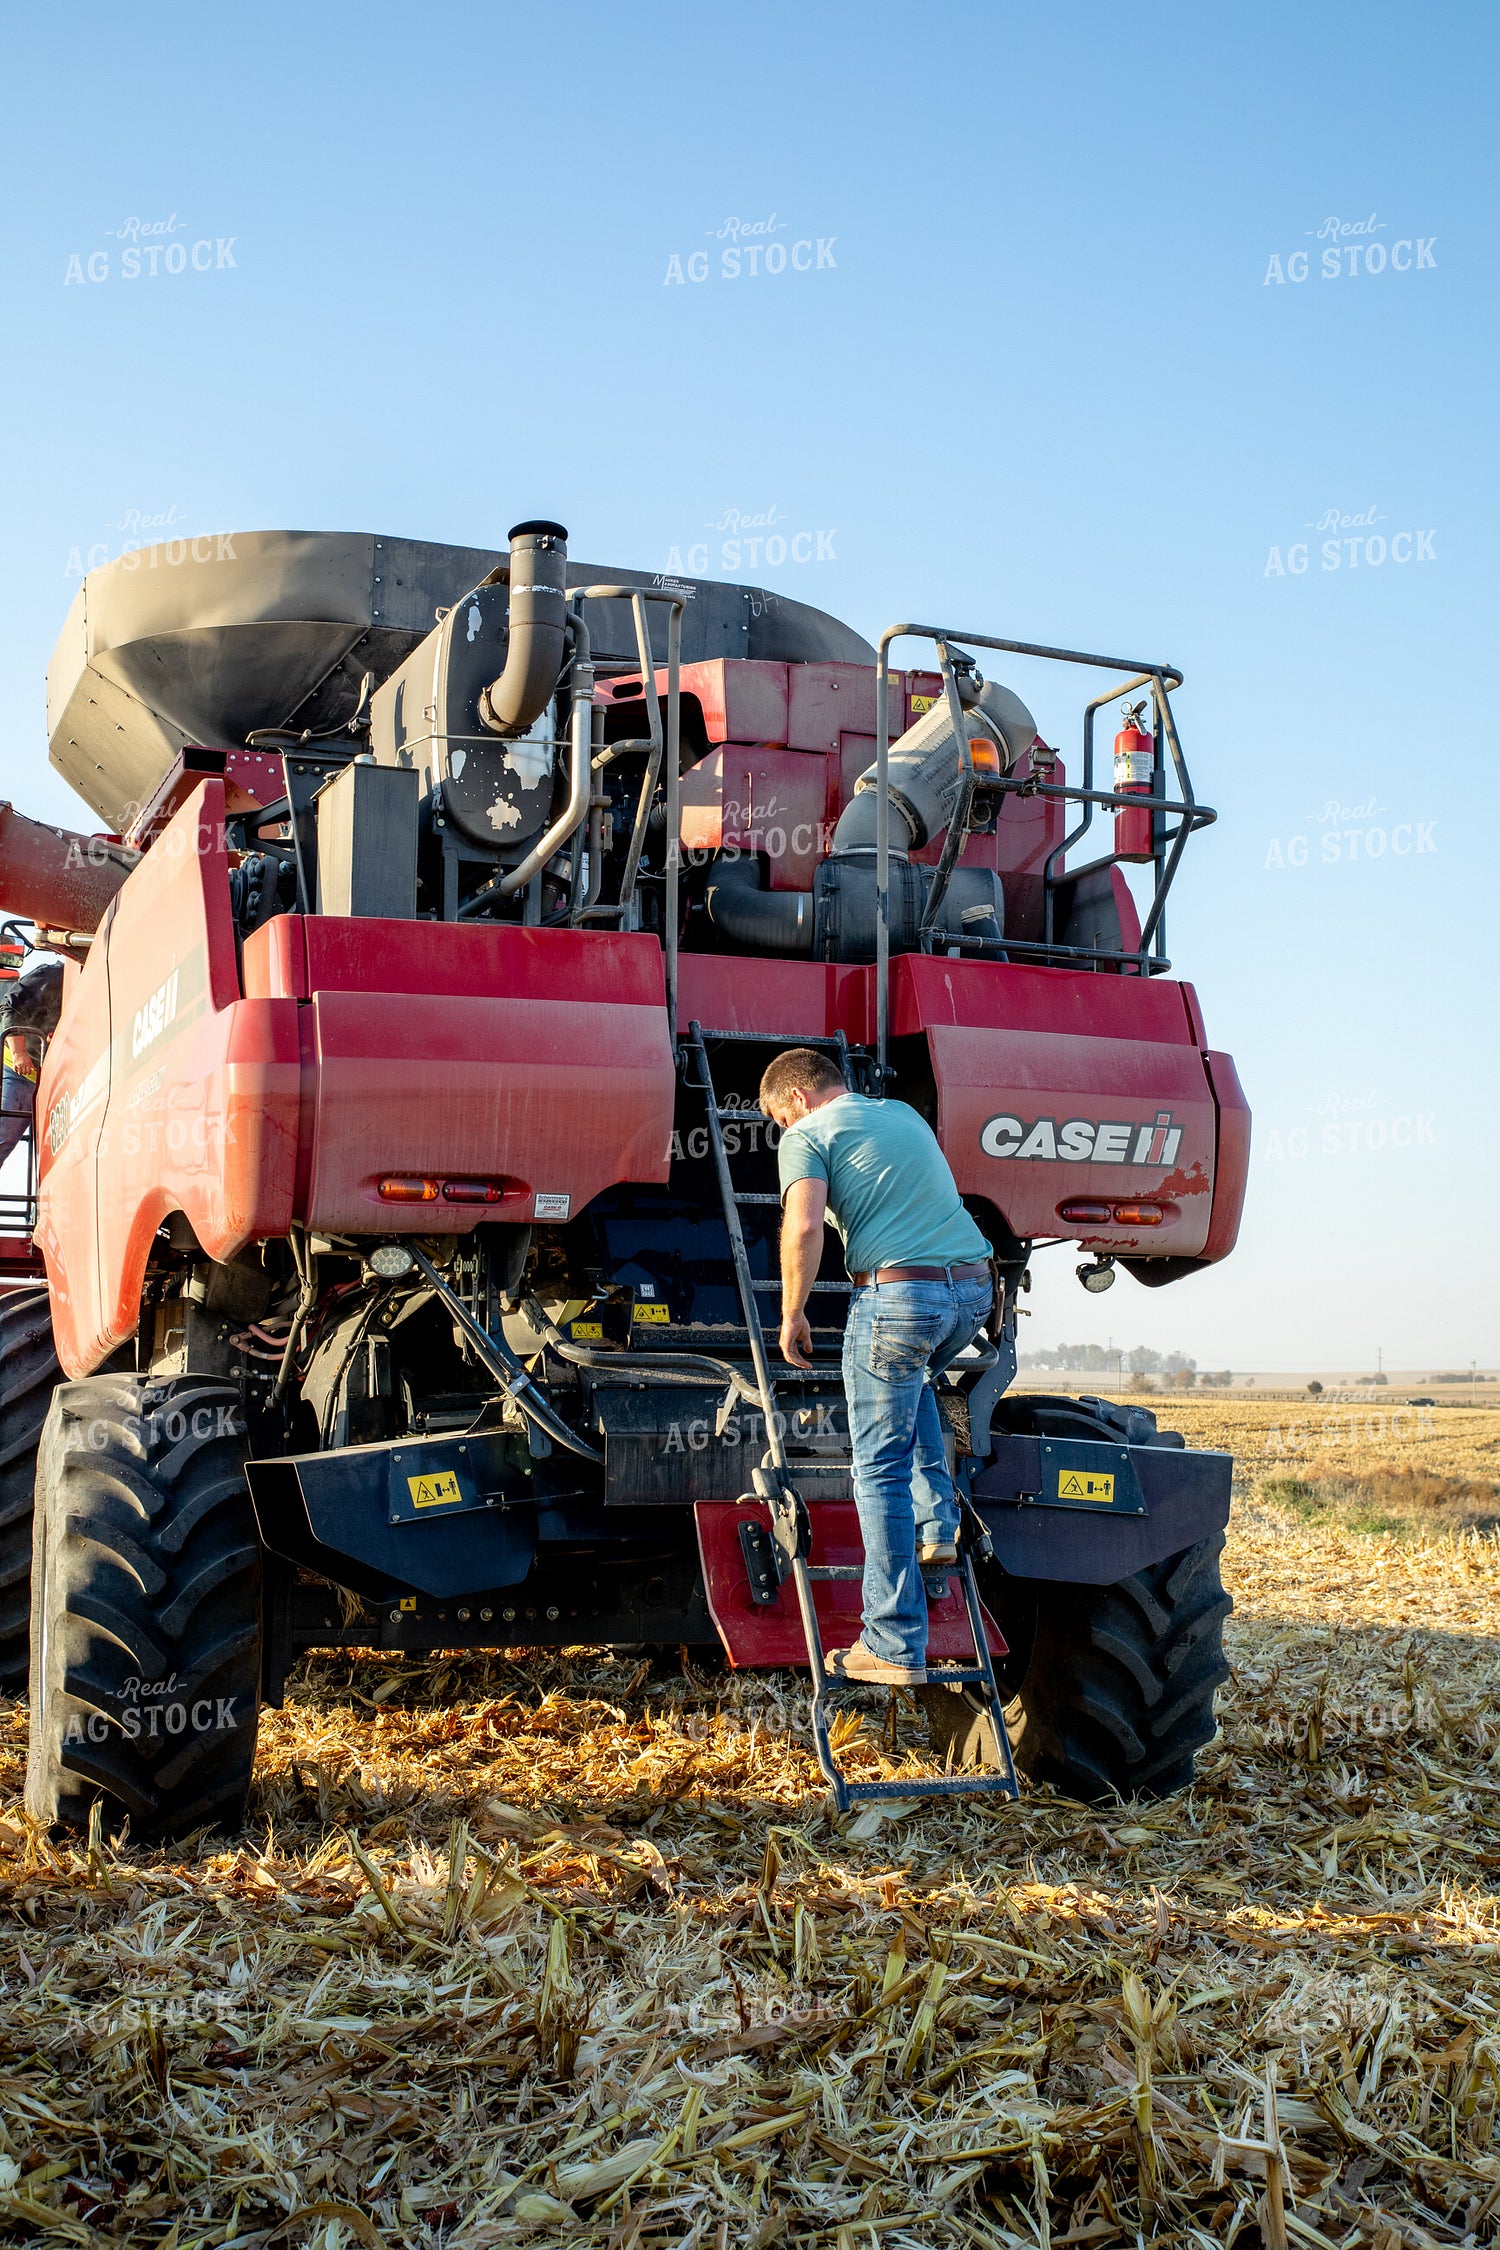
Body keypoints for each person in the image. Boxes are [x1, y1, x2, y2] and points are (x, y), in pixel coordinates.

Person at [758, 1048, 993, 1686]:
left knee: (876, 1467)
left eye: (779, 1118)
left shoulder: (806, 1134)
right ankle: (936, 1524)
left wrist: (792, 1312)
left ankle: (890, 1642)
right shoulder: (903, 1115)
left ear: (798, 1100)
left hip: (897, 1297)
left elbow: (804, 1228)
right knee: (910, 1387)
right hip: (971, 1292)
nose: (784, 1129)